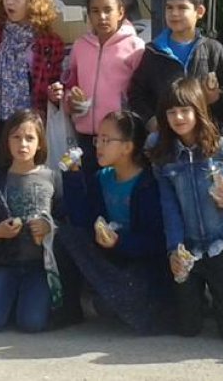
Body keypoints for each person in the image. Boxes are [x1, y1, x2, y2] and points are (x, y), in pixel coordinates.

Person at [154, 78, 223, 341]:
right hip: (189, 247)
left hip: (221, 243)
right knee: (188, 328)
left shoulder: (220, 147)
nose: (178, 117)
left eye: (185, 110)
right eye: (171, 111)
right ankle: (208, 300)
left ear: (198, 110)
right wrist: (174, 251)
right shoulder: (164, 157)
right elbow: (170, 208)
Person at [57, 110, 169, 334]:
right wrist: (73, 175)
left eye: (106, 140)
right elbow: (82, 219)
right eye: (97, 139)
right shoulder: (103, 177)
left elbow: (155, 243)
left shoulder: (148, 184)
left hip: (140, 265)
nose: (98, 145)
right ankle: (71, 308)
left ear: (128, 147)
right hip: (112, 258)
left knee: (117, 301)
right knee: (66, 235)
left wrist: (119, 242)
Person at [0, 109, 62, 333]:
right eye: (16, 137)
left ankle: (27, 301)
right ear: (6, 142)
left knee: (32, 324)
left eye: (30, 138)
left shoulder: (52, 177)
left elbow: (65, 221)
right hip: (7, 262)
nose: (22, 144)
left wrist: (48, 227)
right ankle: (10, 298)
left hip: (39, 266)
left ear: (40, 143)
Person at [50, 0, 145, 176]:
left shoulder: (136, 47)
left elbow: (142, 93)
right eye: (95, 11)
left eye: (107, 10)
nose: (101, 17)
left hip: (119, 138)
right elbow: (71, 83)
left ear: (120, 12)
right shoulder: (80, 46)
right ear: (88, 15)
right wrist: (70, 100)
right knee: (89, 189)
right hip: (85, 136)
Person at [129, 0, 223, 128]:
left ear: (199, 12)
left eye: (182, 8)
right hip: (164, 136)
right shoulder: (153, 52)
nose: (174, 13)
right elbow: (136, 93)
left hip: (204, 133)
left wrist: (217, 98)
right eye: (169, 7)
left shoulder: (213, 49)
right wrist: (151, 120)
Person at [0, 0, 65, 146]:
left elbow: (55, 80)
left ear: (32, 1)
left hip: (32, 123)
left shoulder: (48, 42)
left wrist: (54, 93)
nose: (9, 2)